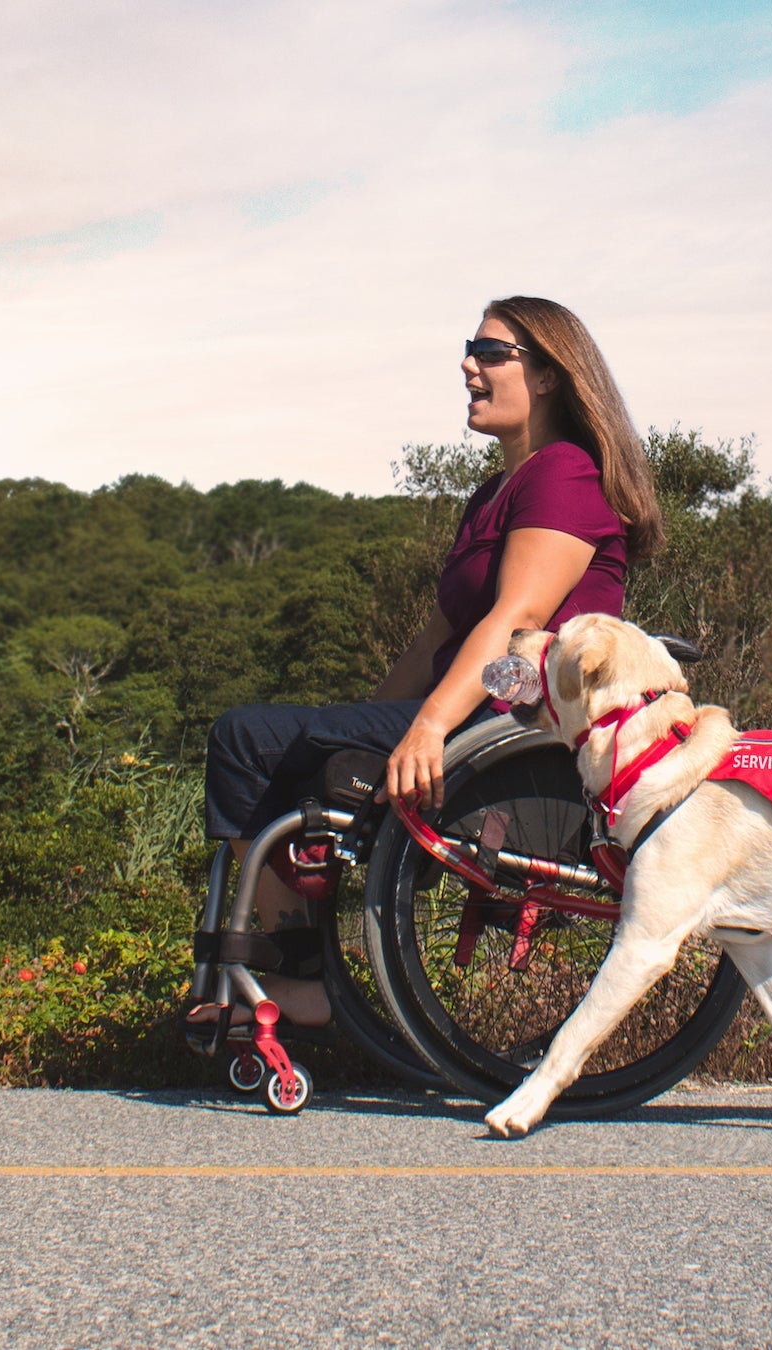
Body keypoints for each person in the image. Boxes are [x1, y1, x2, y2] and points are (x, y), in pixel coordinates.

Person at [195, 296, 661, 1026]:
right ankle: (294, 969)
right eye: (469, 348)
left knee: (245, 738)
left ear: (546, 376)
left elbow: (519, 619)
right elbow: (431, 641)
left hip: (512, 722)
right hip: (472, 710)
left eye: (490, 351)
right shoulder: (494, 493)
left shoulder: (564, 473)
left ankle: (301, 984)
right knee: (271, 746)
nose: (469, 364)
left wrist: (427, 730)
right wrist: (365, 725)